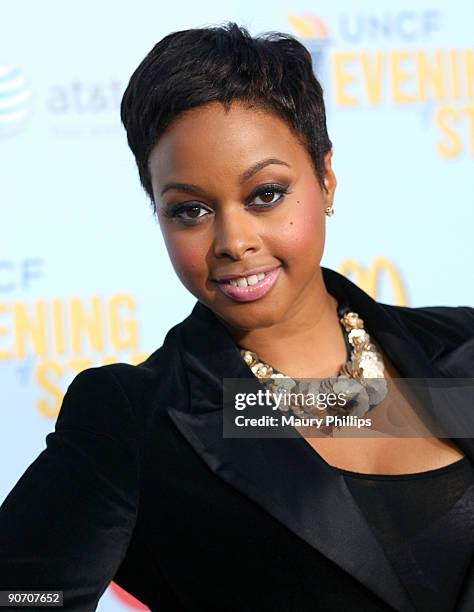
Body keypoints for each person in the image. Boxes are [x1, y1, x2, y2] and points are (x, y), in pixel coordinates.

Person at [0, 22, 473, 612]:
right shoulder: (137, 421)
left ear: (325, 177)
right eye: (190, 210)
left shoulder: (463, 350)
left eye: (265, 195)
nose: (233, 240)